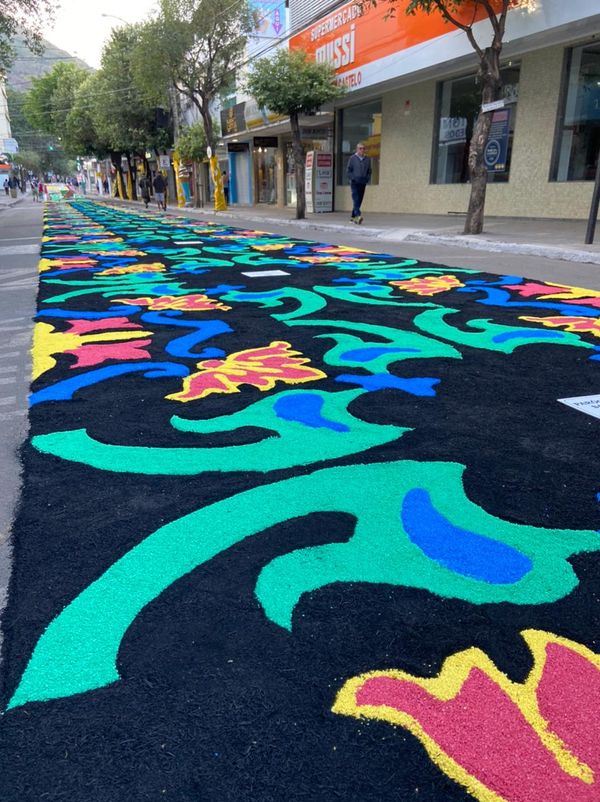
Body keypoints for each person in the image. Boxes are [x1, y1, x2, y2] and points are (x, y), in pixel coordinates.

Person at [346, 142, 372, 224]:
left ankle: (353, 218)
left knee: (359, 200)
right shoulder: (352, 158)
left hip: (363, 182)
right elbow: (348, 170)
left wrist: (367, 179)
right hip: (354, 182)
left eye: (363, 148)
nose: (362, 150)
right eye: (360, 148)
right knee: (356, 198)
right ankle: (358, 216)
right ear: (357, 149)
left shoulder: (367, 159)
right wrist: (353, 178)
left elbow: (369, 171)